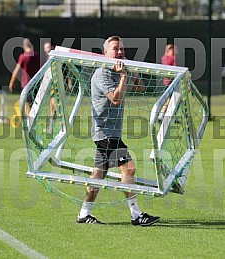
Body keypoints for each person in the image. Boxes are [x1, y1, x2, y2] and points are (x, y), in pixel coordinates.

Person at [76, 35, 160, 226]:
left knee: (97, 176)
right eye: (115, 49)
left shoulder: (119, 70)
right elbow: (116, 98)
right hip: (105, 133)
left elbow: (140, 88)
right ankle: (136, 215)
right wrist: (123, 76)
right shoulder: (102, 74)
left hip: (111, 133)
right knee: (129, 168)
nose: (120, 52)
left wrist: (132, 73)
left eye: (122, 48)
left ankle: (83, 213)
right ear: (105, 53)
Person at [9, 38, 40, 115]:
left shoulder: (23, 57)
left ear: (24, 46)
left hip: (26, 84)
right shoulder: (37, 55)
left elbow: (16, 70)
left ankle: (29, 123)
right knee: (35, 104)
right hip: (36, 83)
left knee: (27, 105)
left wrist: (12, 82)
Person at [158, 44, 178, 122]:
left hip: (166, 81)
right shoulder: (172, 58)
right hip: (170, 82)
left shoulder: (163, 58)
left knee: (170, 100)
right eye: (172, 49)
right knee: (171, 100)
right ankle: (163, 115)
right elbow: (174, 68)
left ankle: (164, 115)